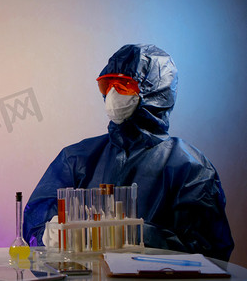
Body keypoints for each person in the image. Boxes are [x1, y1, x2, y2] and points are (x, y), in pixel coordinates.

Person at [23, 44, 234, 261]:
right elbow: (36, 219)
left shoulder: (189, 168)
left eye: (124, 85)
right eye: (107, 85)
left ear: (155, 92)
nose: (113, 94)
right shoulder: (78, 158)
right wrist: (49, 232)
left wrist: (136, 236)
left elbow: (208, 250)